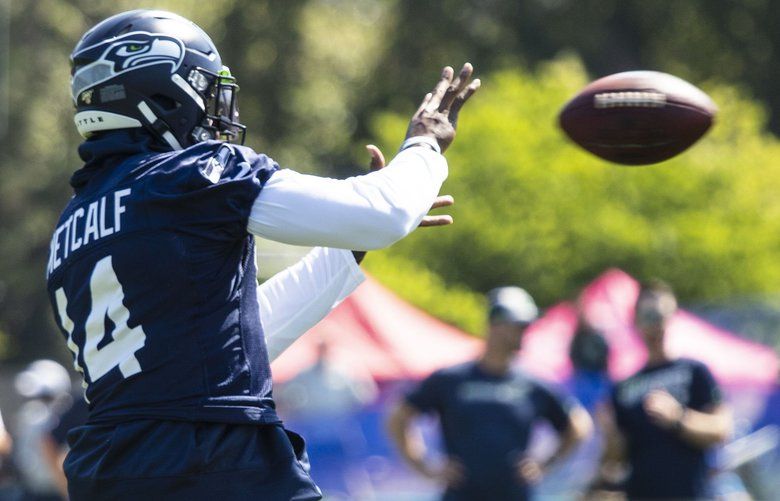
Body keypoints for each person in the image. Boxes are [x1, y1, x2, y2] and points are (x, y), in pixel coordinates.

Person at [46, 9, 479, 501]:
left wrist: (347, 248)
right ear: (167, 93)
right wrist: (425, 145)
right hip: (216, 459)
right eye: (207, 90)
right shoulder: (192, 175)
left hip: (109, 472)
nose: (217, 110)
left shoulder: (70, 226)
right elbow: (386, 211)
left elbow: (234, 348)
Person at [387, 286, 593, 501]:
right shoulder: (451, 379)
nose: (525, 331)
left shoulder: (532, 384)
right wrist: (425, 467)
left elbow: (578, 424)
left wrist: (545, 465)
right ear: (495, 323)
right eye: (519, 325)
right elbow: (399, 417)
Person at [596, 280, 733, 499]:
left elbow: (721, 429)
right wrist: (609, 431)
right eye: (648, 316)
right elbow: (616, 458)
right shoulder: (623, 387)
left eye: (661, 316)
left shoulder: (694, 371)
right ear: (636, 322)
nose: (656, 325)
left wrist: (678, 418)